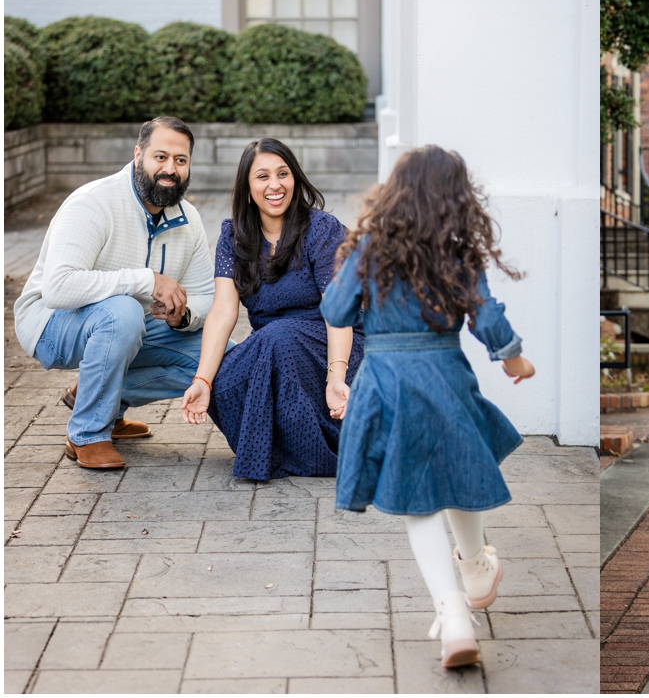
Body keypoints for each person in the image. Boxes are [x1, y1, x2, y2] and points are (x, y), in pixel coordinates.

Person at [320, 145, 535, 670]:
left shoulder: (371, 248)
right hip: (444, 374)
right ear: (457, 200)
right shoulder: (457, 251)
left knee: (418, 500)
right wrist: (512, 359)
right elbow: (485, 316)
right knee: (457, 468)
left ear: (394, 193)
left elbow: (335, 309)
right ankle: (477, 563)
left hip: (387, 380)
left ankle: (454, 613)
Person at [14, 118, 214, 470]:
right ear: (138, 155)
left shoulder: (189, 219)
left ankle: (97, 397)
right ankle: (88, 434)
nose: (170, 169)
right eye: (160, 157)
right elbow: (58, 288)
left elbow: (202, 292)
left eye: (180, 160)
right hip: (50, 324)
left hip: (133, 325)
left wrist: (184, 316)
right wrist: (146, 280)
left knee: (220, 358)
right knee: (122, 311)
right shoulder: (93, 202)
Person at [178, 138, 364, 480]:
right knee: (227, 377)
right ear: (248, 189)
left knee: (279, 336)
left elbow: (339, 312)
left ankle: (320, 451)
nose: (275, 184)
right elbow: (223, 311)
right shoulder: (233, 237)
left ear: (295, 179)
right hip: (278, 346)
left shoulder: (321, 229)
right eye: (262, 176)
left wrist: (336, 377)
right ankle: (283, 450)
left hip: (336, 342)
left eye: (283, 173)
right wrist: (202, 380)